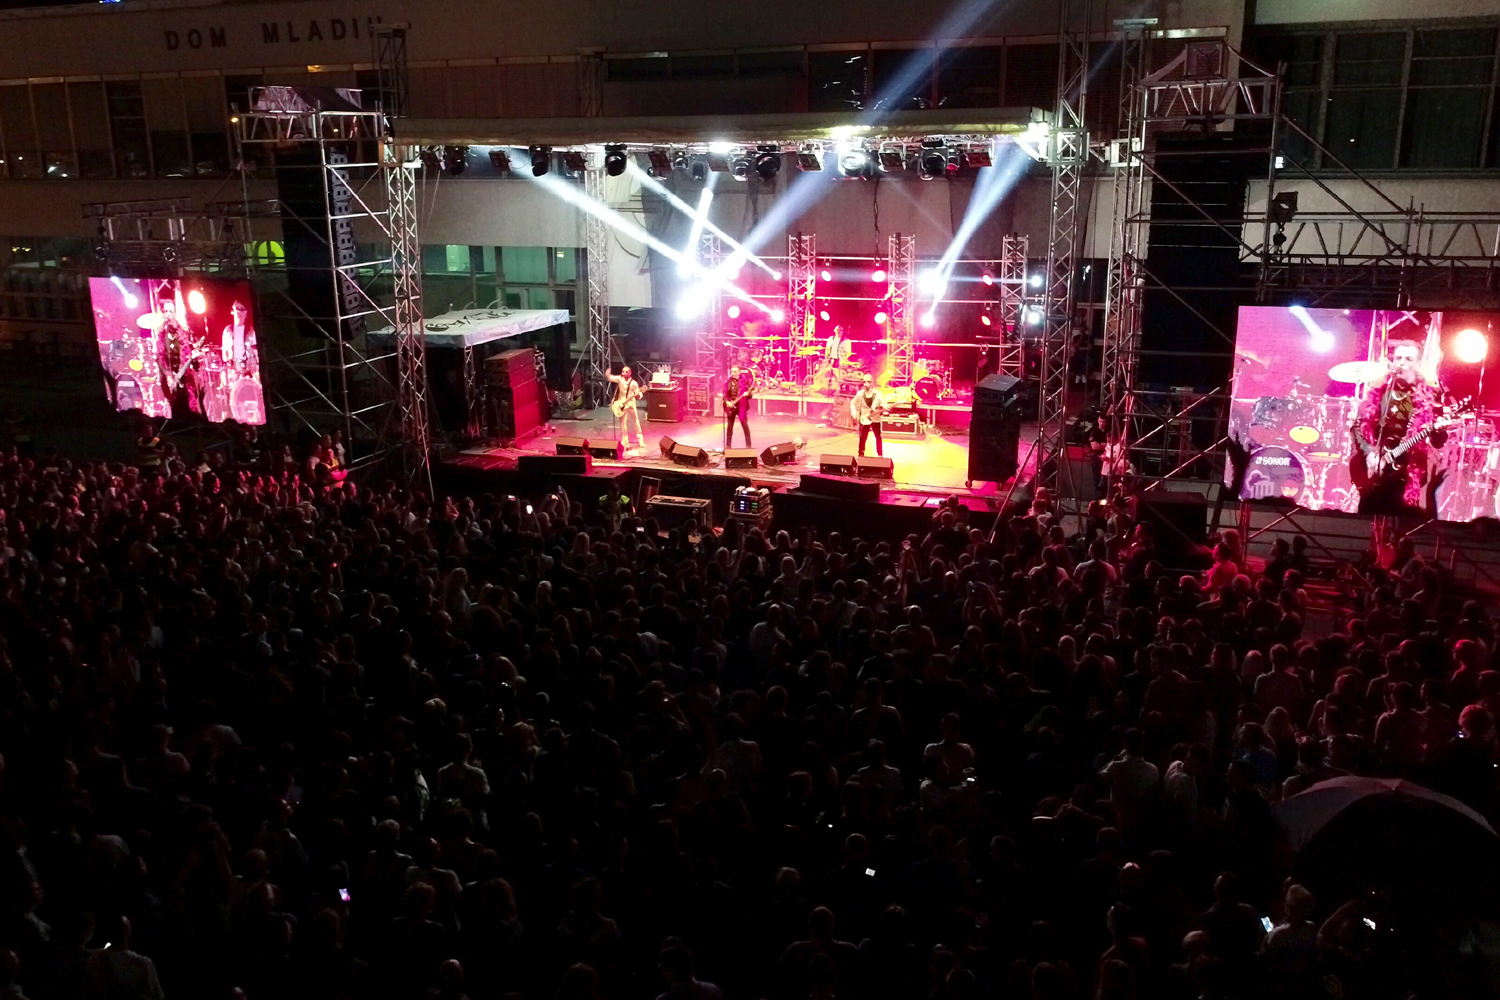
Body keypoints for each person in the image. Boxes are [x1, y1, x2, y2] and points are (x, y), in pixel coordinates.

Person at [1351, 340, 1449, 517]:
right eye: (1398, 358)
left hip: (1407, 470)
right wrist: (1369, 453)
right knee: (1367, 517)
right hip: (1375, 468)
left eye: (1408, 359)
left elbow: (1438, 441)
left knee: (1401, 520)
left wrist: (1440, 430)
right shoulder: (1379, 391)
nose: (1402, 363)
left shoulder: (1431, 396)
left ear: (1418, 364)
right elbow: (1357, 427)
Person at [606, 364, 645, 452]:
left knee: (635, 422)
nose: (624, 373)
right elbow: (611, 378)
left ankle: (641, 440)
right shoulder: (620, 379)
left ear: (630, 373)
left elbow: (639, 392)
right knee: (622, 423)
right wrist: (608, 374)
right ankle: (625, 440)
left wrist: (639, 395)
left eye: (626, 372)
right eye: (623, 371)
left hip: (630, 404)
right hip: (621, 404)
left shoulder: (634, 383)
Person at [851, 374, 885, 458]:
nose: (865, 383)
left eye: (868, 381)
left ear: (871, 383)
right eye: (864, 381)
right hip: (864, 418)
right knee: (863, 437)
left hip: (875, 418)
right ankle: (861, 454)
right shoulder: (860, 394)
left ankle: (880, 454)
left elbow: (884, 404)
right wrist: (854, 414)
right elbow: (853, 403)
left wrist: (886, 407)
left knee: (878, 436)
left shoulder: (878, 394)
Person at [724, 365, 755, 449]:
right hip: (731, 407)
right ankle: (728, 445)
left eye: (734, 371)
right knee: (729, 426)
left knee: (744, 425)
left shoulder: (745, 381)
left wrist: (748, 394)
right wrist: (727, 402)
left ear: (739, 372)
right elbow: (725, 394)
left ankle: (748, 445)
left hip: (741, 407)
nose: (732, 373)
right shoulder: (728, 381)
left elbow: (750, 396)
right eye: (732, 371)